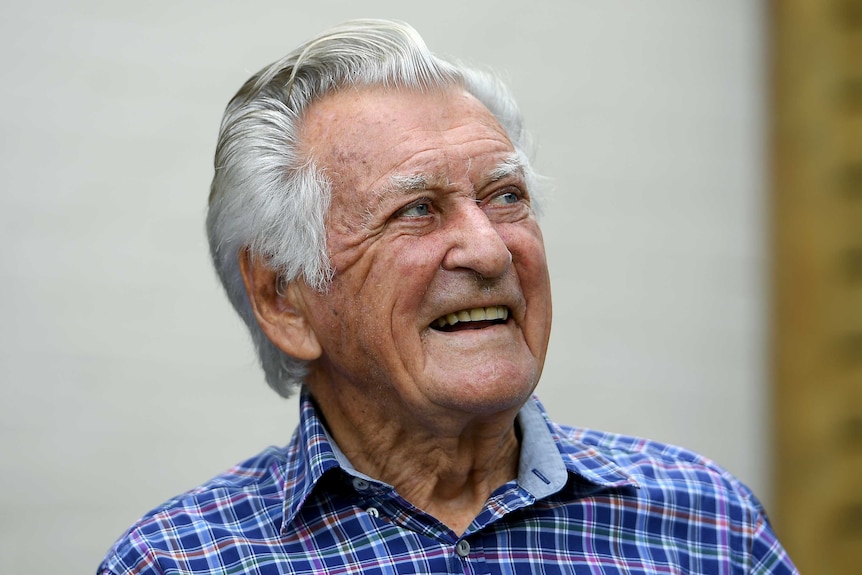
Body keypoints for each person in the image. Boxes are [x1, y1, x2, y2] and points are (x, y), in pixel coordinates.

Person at [99, 19, 797, 574]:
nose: (490, 250)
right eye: (417, 210)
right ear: (284, 298)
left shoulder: (707, 527)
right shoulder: (181, 562)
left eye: (506, 197)